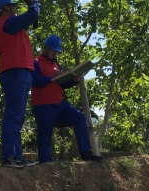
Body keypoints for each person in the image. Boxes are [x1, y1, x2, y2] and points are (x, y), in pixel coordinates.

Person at [31, 35, 103, 164]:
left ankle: (86, 153)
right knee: (45, 134)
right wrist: (51, 77)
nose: (55, 53)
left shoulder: (57, 65)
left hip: (59, 104)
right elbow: (34, 81)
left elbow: (61, 84)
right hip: (43, 106)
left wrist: (73, 81)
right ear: (46, 48)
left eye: (57, 51)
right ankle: (45, 164)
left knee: (79, 117)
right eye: (53, 50)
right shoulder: (35, 62)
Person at [0, 0, 40, 168]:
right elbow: (33, 15)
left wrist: (32, 8)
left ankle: (16, 155)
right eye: (12, 6)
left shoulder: (7, 25)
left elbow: (28, 21)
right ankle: (9, 156)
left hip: (16, 72)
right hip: (16, 72)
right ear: (5, 9)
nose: (15, 9)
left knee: (17, 115)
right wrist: (34, 2)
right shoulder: (8, 23)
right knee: (14, 115)